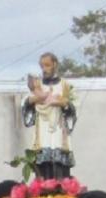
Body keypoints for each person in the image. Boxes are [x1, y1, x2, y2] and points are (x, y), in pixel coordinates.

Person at [22, 52, 77, 180]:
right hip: (43, 134)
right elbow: (26, 104)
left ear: (54, 65)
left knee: (60, 169)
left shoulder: (65, 86)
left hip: (59, 133)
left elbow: (73, 107)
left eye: (47, 65)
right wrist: (36, 98)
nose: (44, 69)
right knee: (43, 170)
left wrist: (61, 102)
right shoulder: (37, 85)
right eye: (42, 66)